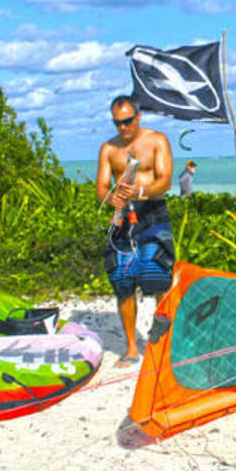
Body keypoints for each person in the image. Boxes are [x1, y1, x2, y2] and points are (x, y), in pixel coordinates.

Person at [95, 96, 175, 368]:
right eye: (118, 123)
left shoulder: (156, 140)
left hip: (152, 215)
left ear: (138, 117)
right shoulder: (109, 148)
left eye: (127, 121)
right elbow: (101, 188)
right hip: (123, 220)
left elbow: (164, 181)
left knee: (159, 280)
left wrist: (140, 191)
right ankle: (131, 347)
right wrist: (110, 199)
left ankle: (164, 341)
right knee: (123, 283)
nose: (123, 128)